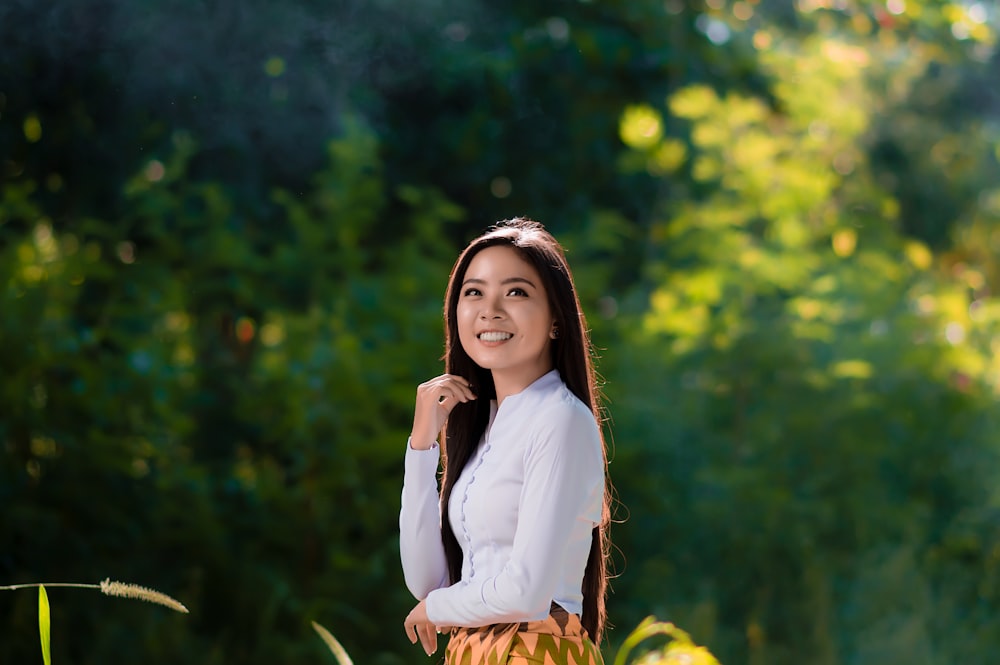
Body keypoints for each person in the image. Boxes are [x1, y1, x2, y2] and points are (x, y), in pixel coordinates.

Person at [399, 218, 612, 665]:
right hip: (477, 651)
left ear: (557, 319)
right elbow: (428, 582)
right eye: (474, 292)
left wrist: (437, 610)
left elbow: (527, 591)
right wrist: (421, 449)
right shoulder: (486, 429)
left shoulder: (561, 420)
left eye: (516, 292)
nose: (489, 309)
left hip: (535, 650)